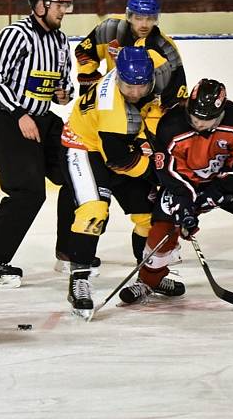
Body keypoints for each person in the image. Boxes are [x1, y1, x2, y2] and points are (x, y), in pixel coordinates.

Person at [119, 79, 233, 305]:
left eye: (206, 120)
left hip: (229, 181)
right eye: (195, 118)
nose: (198, 124)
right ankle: (148, 281)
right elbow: (167, 171)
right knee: (162, 231)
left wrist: (217, 193)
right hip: (185, 184)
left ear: (221, 113)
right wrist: (185, 202)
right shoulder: (171, 125)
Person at [57, 0, 188, 273]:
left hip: (130, 125)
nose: (143, 23)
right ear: (128, 15)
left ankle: (149, 271)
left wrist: (165, 149)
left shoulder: (164, 52)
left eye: (149, 17)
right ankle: (75, 264)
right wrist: (89, 81)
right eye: (138, 17)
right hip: (99, 131)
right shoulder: (110, 30)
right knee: (92, 206)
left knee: (145, 211)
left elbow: (174, 101)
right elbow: (84, 52)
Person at [0, 0, 75, 289]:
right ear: (41, 5)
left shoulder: (59, 41)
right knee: (28, 192)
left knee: (78, 173)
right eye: (59, 4)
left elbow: (66, 82)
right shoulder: (16, 34)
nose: (64, 11)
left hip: (42, 119)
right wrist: (19, 113)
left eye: (66, 5)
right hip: (8, 119)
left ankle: (69, 252)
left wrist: (63, 94)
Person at [60, 46, 175, 318]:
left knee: (148, 215)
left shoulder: (152, 71)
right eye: (128, 86)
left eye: (141, 86)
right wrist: (163, 177)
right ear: (119, 77)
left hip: (122, 144)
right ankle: (79, 280)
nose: (135, 92)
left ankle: (149, 275)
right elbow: (121, 162)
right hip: (85, 148)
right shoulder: (112, 107)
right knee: (93, 212)